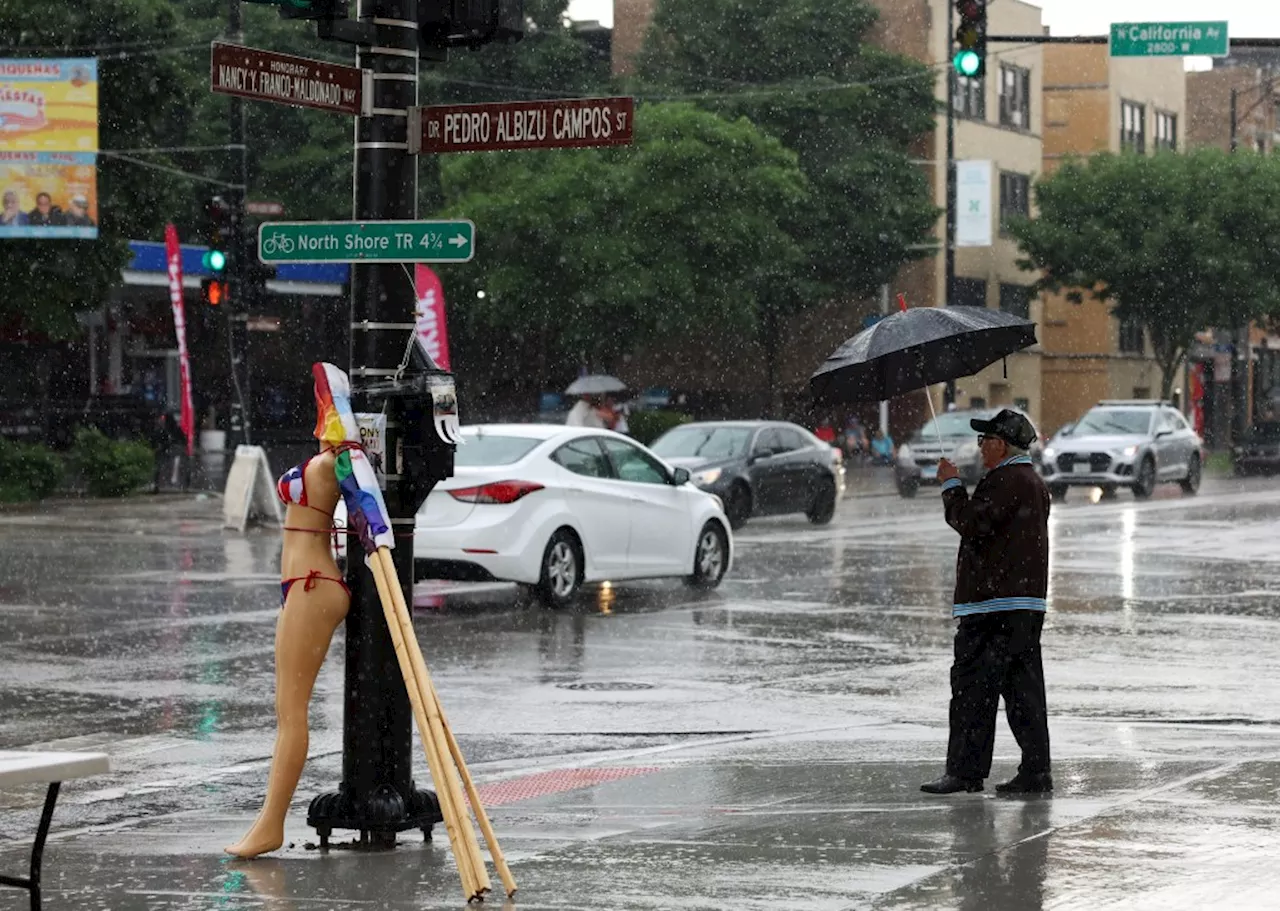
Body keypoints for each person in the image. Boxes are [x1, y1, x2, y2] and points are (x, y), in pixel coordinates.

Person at [224, 370, 356, 858]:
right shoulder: (331, 461)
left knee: (290, 713)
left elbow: (362, 496)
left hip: (313, 584)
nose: (320, 414)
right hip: (306, 584)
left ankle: (270, 824)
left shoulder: (333, 463)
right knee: (288, 710)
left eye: (325, 404)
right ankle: (267, 821)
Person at [921, 408, 1053, 797]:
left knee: (972, 692)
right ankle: (1036, 772)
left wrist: (951, 486)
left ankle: (965, 771)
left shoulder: (1005, 481)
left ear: (1001, 444)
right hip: (1023, 607)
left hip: (992, 608)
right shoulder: (1031, 481)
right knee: (1023, 694)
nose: (980, 448)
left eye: (985, 441)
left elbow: (970, 523)